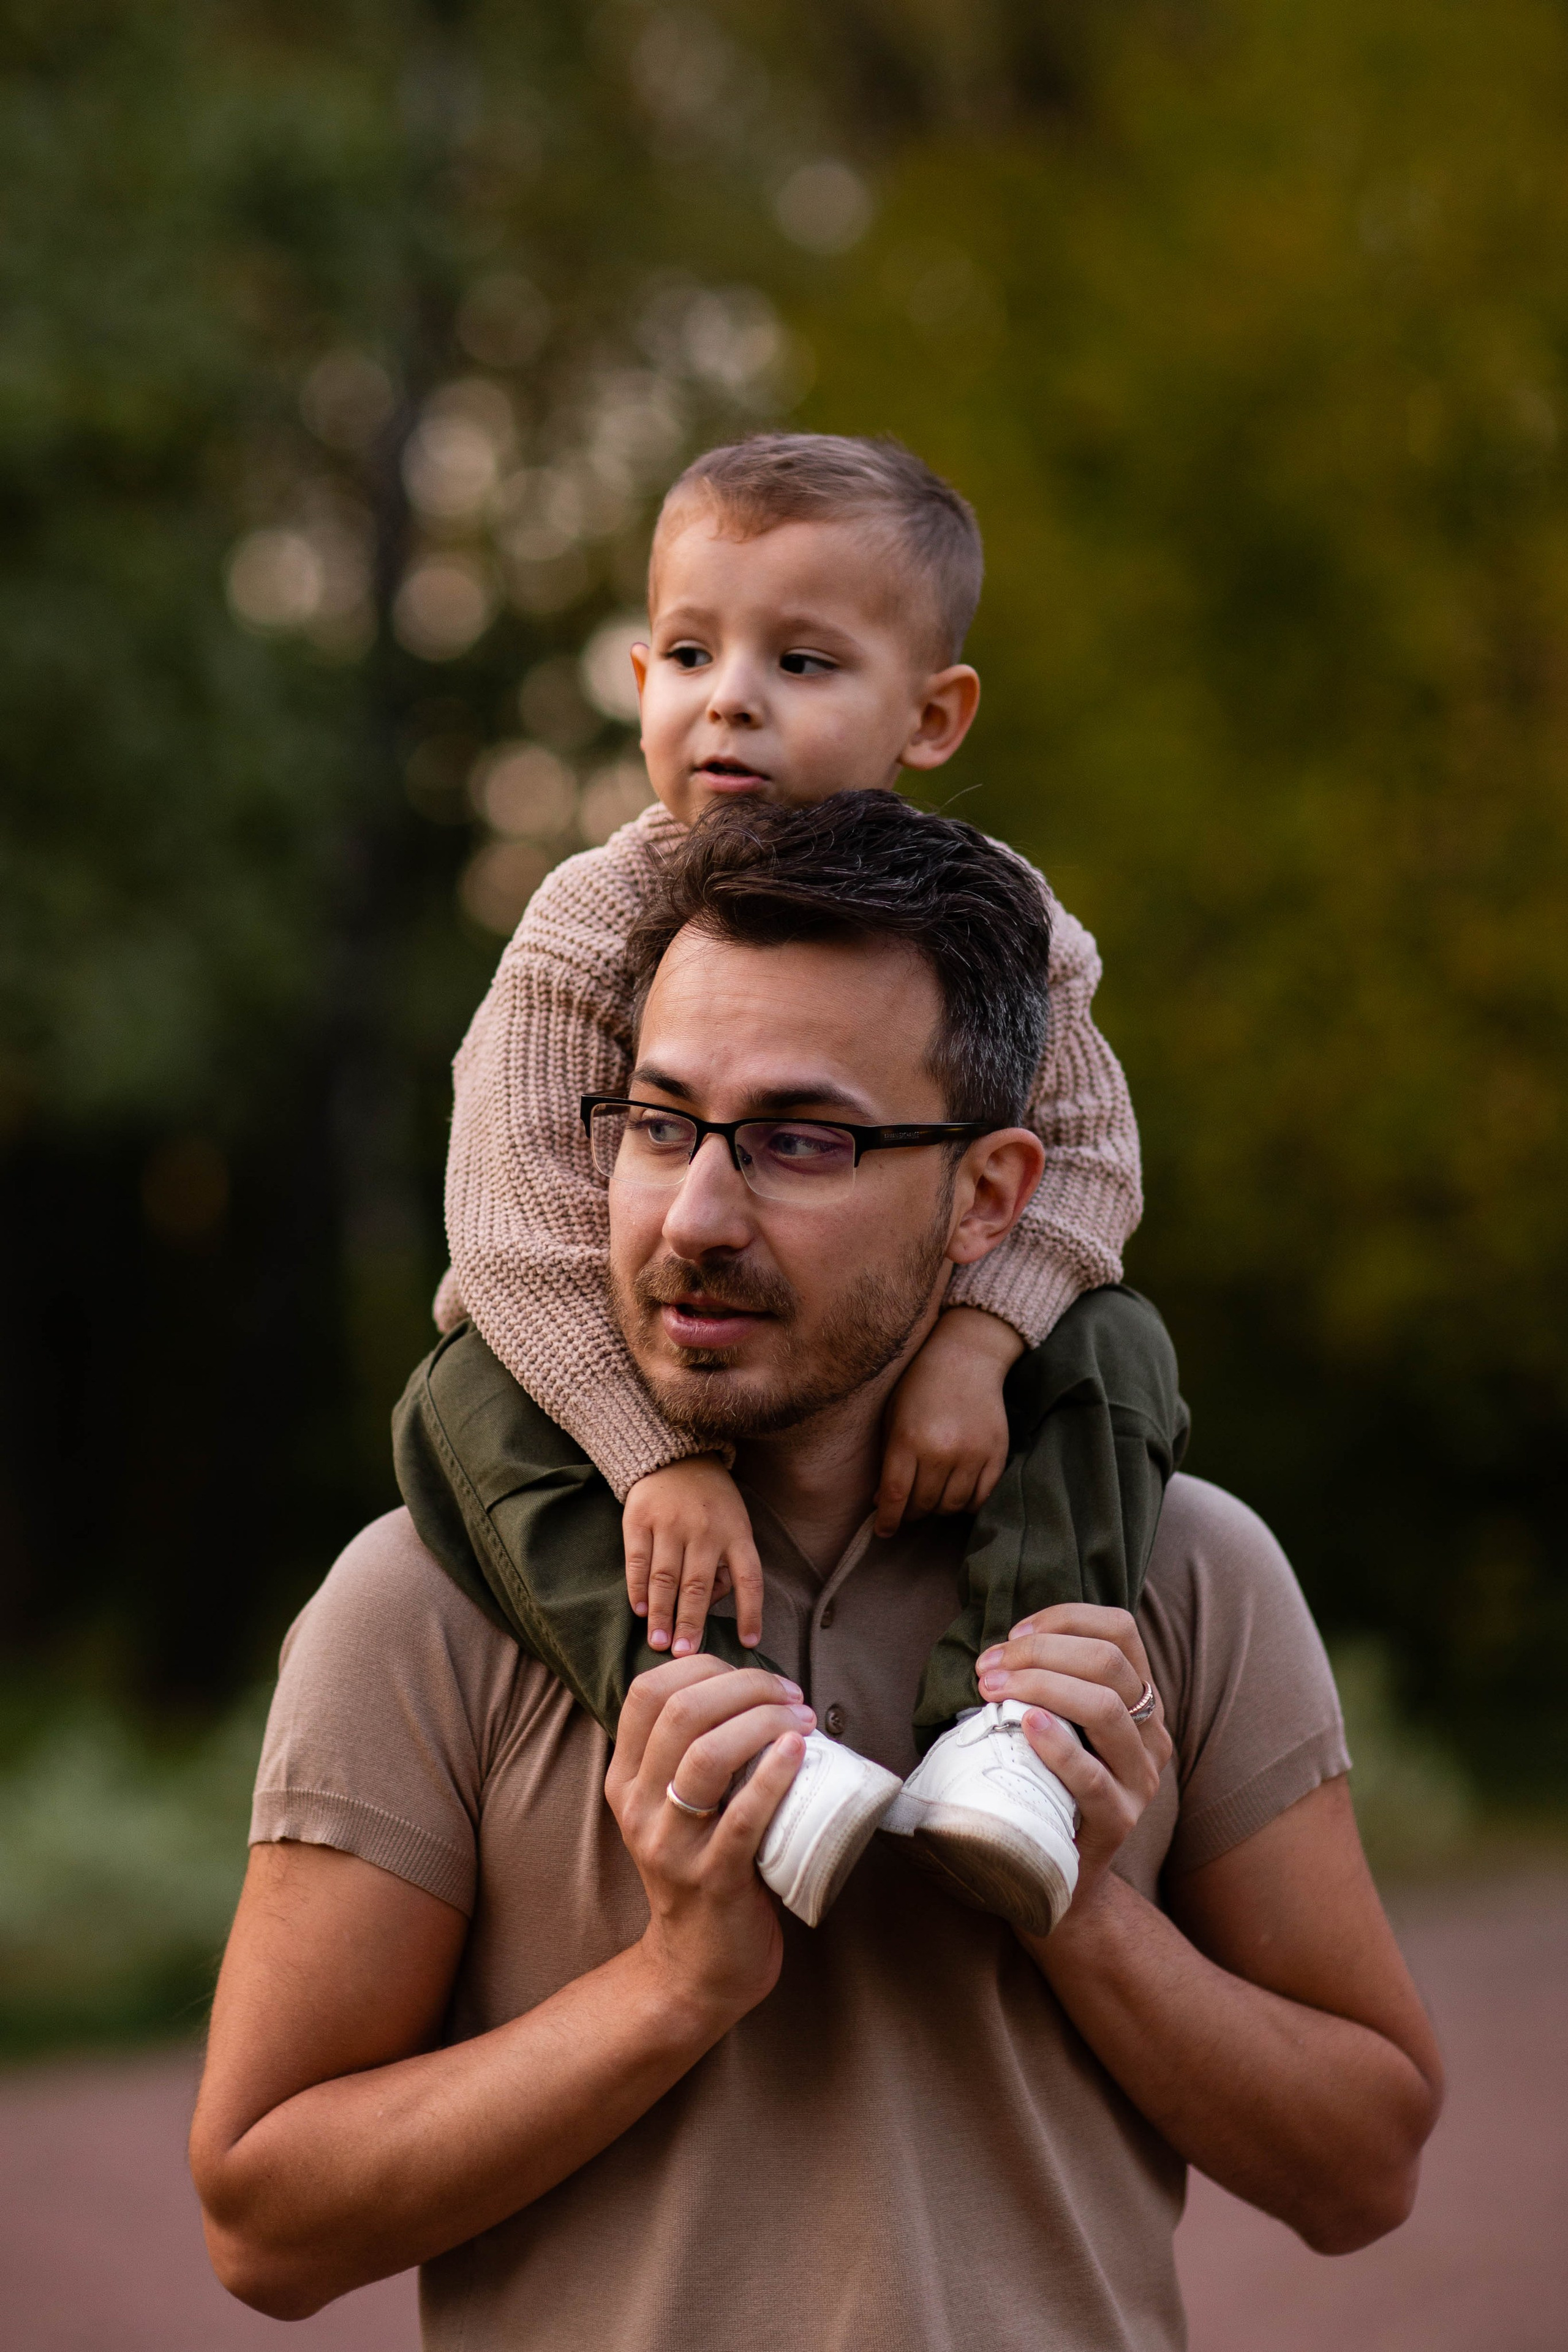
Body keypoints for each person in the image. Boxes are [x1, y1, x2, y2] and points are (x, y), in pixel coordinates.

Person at [190, 799, 1442, 2352]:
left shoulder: (1179, 1574)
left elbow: (1362, 2167)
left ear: (988, 1195)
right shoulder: (419, 1602)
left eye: (802, 1140)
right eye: (658, 1124)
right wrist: (675, 1984)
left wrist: (1089, 1912)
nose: (695, 1216)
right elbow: (264, 2226)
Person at [413, 431, 1175, 1930]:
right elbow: (513, 1227)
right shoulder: (589, 919)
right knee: (459, 1396)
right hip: (604, 1367)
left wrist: (980, 1337)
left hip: (886, 1341)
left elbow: (1091, 1158)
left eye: (802, 661)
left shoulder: (995, 923)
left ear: (931, 715)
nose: (732, 697)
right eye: (691, 651)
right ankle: (726, 1726)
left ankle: (1006, 1728)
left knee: (1118, 1349)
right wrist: (658, 1460)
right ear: (639, 683)